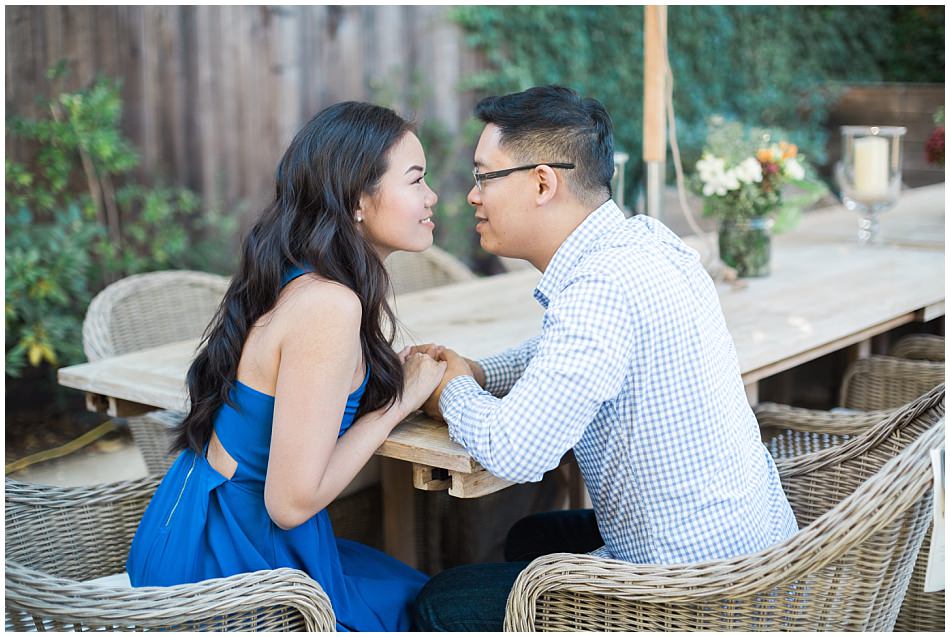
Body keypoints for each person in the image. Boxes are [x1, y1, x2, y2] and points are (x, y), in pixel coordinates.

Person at [411, 86, 798, 631]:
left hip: (695, 599)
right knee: (532, 537)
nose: (474, 195)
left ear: (542, 182)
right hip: (759, 555)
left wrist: (451, 390)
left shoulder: (600, 286)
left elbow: (515, 451)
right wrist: (479, 373)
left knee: (441, 600)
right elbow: (565, 352)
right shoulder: (647, 241)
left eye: (484, 176)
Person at [126, 101, 447, 631]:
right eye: (416, 180)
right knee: (430, 606)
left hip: (199, 526)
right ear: (357, 199)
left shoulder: (304, 278)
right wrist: (398, 402)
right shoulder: (328, 304)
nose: (431, 195)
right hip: (228, 568)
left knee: (412, 587)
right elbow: (290, 504)